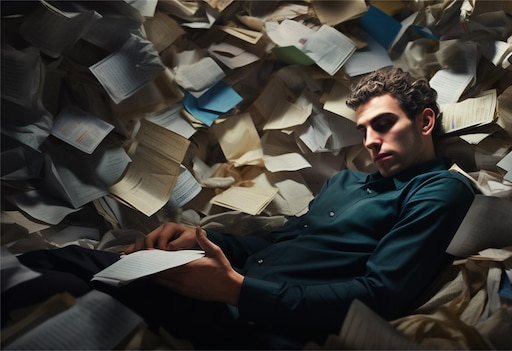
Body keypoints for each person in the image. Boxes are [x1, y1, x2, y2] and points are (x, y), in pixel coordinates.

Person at [2, 67, 475, 349]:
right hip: (229, 287)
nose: (371, 141)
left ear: (426, 121)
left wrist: (235, 290)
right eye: (364, 129)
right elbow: (278, 241)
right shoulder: (346, 180)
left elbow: (379, 294)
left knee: (65, 286)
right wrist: (204, 240)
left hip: (254, 319)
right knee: (67, 260)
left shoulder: (438, 191)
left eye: (385, 124)